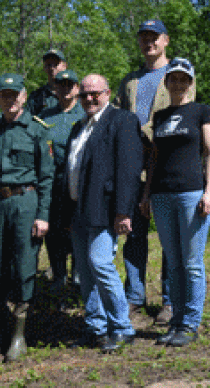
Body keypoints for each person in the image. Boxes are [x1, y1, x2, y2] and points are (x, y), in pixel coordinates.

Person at [114, 19, 196, 324]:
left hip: (165, 165)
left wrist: (142, 133)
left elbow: (184, 113)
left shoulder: (179, 74)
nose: (149, 42)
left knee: (169, 238)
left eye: (154, 37)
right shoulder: (130, 80)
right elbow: (120, 118)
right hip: (132, 168)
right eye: (144, 37)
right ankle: (133, 296)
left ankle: (170, 300)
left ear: (166, 40)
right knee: (133, 233)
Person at [0, 73, 54, 362]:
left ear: (23, 96)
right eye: (4, 94)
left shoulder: (36, 130)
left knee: (23, 267)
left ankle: (19, 336)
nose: (9, 99)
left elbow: (47, 178)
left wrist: (43, 215)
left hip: (25, 203)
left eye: (14, 94)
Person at [140, 58, 210, 347]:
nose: (178, 83)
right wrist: (147, 194)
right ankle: (176, 321)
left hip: (191, 194)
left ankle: (190, 323)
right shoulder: (159, 117)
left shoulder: (202, 112)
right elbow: (154, 159)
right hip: (161, 195)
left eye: (184, 79)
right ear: (167, 82)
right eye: (173, 78)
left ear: (190, 83)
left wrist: (209, 192)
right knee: (173, 263)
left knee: (192, 263)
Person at [65, 74, 144, 353]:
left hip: (105, 210)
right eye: (84, 94)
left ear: (108, 93)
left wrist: (123, 212)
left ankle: (122, 327)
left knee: (101, 264)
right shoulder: (78, 127)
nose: (89, 98)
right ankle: (96, 327)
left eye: (94, 93)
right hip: (78, 210)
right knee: (86, 273)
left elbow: (129, 169)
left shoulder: (121, 121)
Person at [36, 70, 86, 293]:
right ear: (55, 88)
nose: (65, 88)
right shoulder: (45, 117)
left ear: (77, 88)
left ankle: (78, 274)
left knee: (77, 229)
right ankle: (58, 275)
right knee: (54, 231)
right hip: (54, 181)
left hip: (78, 181)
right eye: (61, 84)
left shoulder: (85, 113)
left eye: (70, 84)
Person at [27, 49, 68, 115]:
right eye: (49, 65)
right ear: (44, 68)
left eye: (56, 64)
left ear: (65, 66)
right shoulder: (36, 97)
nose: (52, 68)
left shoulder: (75, 94)